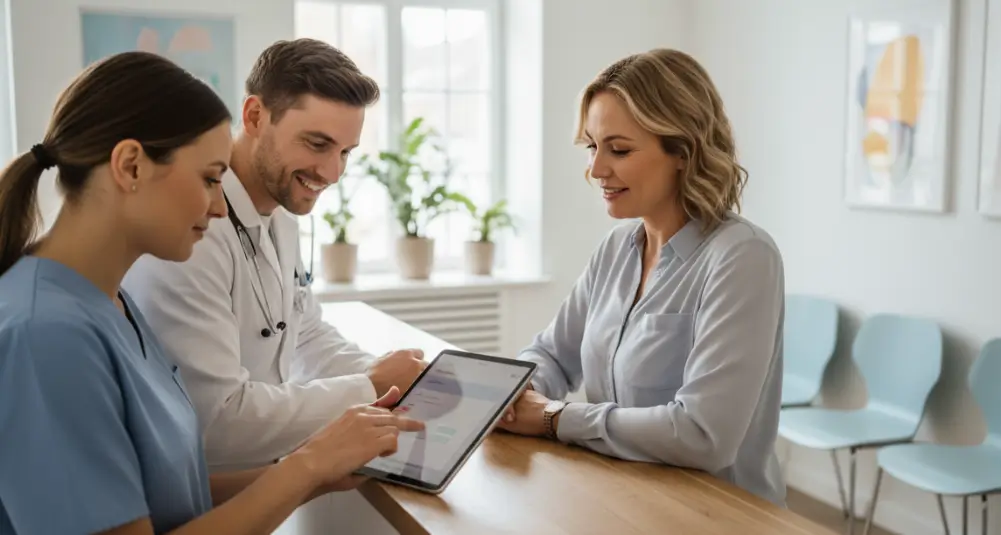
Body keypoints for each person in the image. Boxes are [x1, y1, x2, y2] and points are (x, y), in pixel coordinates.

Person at [0, 51, 423, 535]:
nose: (222, 207)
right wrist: (304, 467)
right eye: (209, 179)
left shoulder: (113, 306)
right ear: (132, 167)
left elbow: (167, 491)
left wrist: (316, 473)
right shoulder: (44, 337)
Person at [497, 48, 787, 506]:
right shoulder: (616, 248)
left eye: (620, 149)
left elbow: (703, 435)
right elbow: (553, 354)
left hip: (718, 512)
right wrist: (517, 394)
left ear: (682, 150)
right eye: (593, 147)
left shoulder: (742, 257)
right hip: (624, 497)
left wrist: (555, 418)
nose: (596, 170)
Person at [122, 39, 427, 471]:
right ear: (254, 117)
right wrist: (368, 385)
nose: (332, 173)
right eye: (317, 144)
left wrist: (396, 382)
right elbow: (216, 425)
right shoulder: (190, 232)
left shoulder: (282, 210)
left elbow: (301, 332)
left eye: (345, 152)